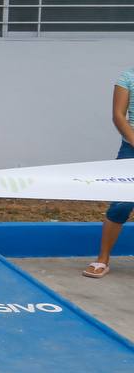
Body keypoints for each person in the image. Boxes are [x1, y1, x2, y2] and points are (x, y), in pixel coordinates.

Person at [82, 66, 134, 278]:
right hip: (131, 148)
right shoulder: (128, 76)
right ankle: (103, 259)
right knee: (121, 203)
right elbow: (118, 116)